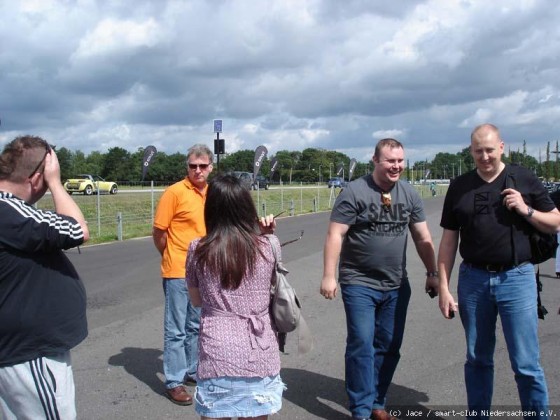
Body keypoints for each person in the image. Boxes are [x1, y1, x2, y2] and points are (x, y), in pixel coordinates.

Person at [438, 123, 560, 419]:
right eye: (478, 151)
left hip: (516, 278)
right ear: (471, 151)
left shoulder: (523, 178)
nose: (485, 156)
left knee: (526, 363)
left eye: (490, 150)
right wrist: (443, 286)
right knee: (477, 359)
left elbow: (555, 221)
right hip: (474, 279)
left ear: (502, 147)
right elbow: (449, 239)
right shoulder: (459, 187)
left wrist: (525, 209)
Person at [320, 138, 438, 420]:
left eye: (400, 161)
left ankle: (377, 402)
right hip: (358, 281)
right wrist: (329, 275)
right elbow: (336, 234)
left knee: (389, 345)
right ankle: (360, 409)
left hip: (397, 284)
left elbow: (422, 237)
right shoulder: (354, 192)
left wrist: (432, 273)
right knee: (361, 342)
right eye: (390, 161)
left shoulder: (409, 194)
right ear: (375, 161)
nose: (396, 166)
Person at [0, 135, 90, 419]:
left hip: (17, 352)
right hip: (29, 356)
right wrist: (56, 183)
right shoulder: (11, 212)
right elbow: (78, 230)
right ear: (36, 177)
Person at [186, 174, 284, 420]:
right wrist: (264, 234)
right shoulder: (270, 244)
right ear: (247, 207)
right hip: (259, 345)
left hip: (217, 348)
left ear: (211, 208)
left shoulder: (197, 249)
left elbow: (196, 300)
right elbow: (273, 286)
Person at [152, 144, 213, 405]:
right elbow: (159, 233)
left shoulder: (212, 193)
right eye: (192, 166)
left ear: (211, 167)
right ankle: (174, 381)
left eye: (202, 166)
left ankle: (192, 370)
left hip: (205, 269)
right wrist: (171, 256)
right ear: (187, 167)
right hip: (178, 269)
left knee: (196, 325)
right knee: (176, 329)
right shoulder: (174, 192)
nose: (197, 171)